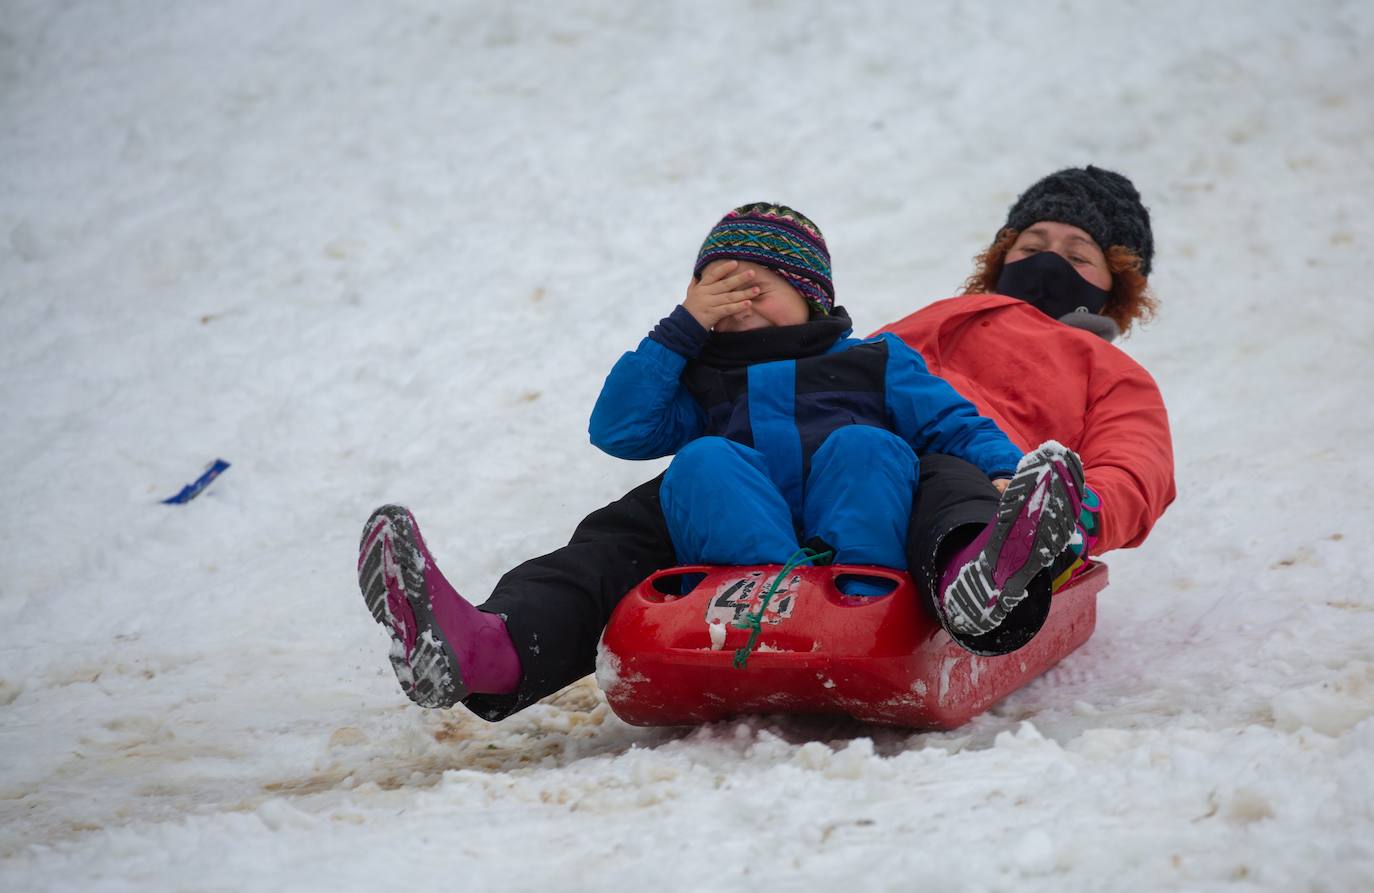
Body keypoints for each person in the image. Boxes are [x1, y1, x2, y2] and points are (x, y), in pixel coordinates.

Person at [357, 166, 1175, 722]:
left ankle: (988, 572)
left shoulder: (1110, 369)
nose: (1049, 261)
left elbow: (1138, 463)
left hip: (986, 483)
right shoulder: (918, 327)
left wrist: (1066, 514)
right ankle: (489, 647)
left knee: (932, 476)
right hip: (811, 474)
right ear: (998, 257)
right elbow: (806, 379)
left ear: (1119, 284)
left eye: (1078, 254)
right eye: (1033, 245)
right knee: (631, 523)